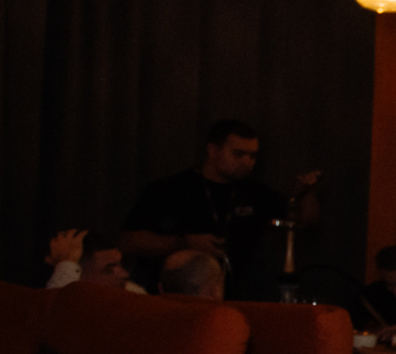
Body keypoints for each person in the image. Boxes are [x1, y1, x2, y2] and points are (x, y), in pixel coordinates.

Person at [120, 119, 321, 300]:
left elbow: (304, 220)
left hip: (238, 298)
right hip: (176, 299)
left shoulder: (254, 191)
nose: (247, 163)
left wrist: (307, 192)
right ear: (213, 151)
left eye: (252, 156)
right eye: (238, 154)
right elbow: (129, 242)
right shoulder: (170, 189)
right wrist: (184, 243)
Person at [44, 229, 144, 293]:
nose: (124, 274)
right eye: (108, 270)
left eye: (120, 265)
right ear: (77, 276)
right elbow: (60, 310)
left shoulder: (133, 293)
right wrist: (66, 264)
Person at [159, 250, 225, 299]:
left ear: (160, 288)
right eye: (218, 282)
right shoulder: (225, 313)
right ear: (212, 291)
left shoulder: (154, 311)